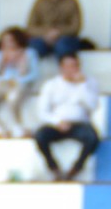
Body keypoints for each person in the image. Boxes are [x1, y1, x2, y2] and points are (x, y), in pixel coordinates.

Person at [34, 51, 102, 180]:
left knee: (92, 137)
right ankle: (53, 167)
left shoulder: (89, 83)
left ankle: (76, 168)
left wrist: (82, 85)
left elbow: (93, 106)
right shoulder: (51, 85)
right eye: (68, 66)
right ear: (61, 67)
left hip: (79, 123)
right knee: (40, 136)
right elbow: (42, 111)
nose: (72, 69)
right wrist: (57, 121)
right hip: (57, 123)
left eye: (75, 65)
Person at [0, 27, 36, 137]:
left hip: (20, 84)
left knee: (12, 97)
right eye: (4, 41)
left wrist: (18, 79)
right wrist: (2, 75)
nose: (7, 44)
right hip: (2, 84)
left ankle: (17, 125)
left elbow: (34, 74)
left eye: (10, 40)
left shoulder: (29, 53)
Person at [25, 0, 84, 64]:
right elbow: (30, 27)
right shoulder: (40, 1)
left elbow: (75, 27)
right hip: (43, 38)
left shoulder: (72, 1)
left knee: (63, 46)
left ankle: (65, 71)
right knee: (33, 48)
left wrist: (58, 32)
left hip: (65, 38)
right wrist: (46, 33)